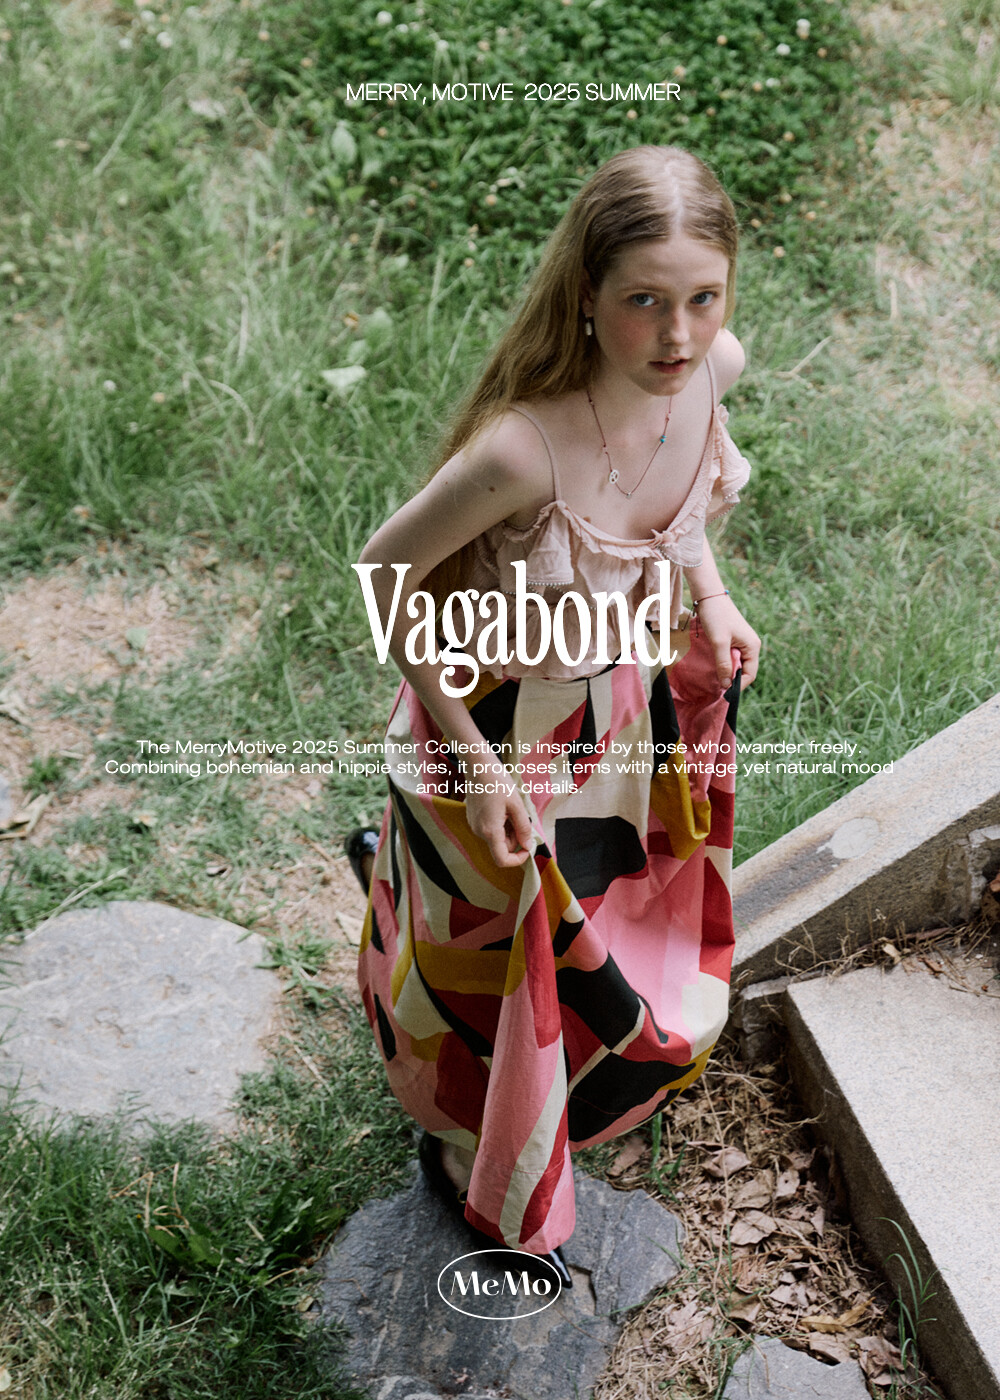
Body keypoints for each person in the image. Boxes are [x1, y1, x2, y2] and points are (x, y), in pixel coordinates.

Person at [347, 145, 760, 1288]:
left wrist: (712, 598)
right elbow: (383, 573)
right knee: (482, 942)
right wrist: (477, 767)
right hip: (488, 719)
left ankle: (559, 1052)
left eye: (702, 298)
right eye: (643, 301)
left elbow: (680, 506)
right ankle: (464, 1123)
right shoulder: (522, 450)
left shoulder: (710, 372)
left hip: (604, 707)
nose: (677, 335)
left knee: (590, 899)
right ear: (586, 293)